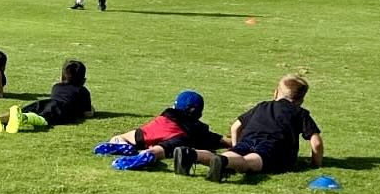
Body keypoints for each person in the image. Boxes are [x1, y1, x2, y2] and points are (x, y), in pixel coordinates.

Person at [172, 74, 323, 181]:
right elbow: (315, 142)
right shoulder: (300, 112)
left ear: (275, 93)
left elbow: (236, 127)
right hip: (272, 146)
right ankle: (223, 163)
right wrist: (316, 164)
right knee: (248, 163)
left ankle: (191, 154)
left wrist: (237, 146)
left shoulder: (262, 106)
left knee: (230, 155)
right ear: (300, 100)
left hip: (248, 140)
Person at [92, 90, 222, 170]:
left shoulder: (167, 114)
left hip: (159, 125)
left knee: (124, 136)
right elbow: (224, 141)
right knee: (162, 149)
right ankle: (147, 154)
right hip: (180, 135)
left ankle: (122, 144)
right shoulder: (199, 128)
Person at [0, 59, 92, 133]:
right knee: (40, 118)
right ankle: (22, 118)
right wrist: (91, 109)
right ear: (83, 80)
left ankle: (0, 119)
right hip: (61, 109)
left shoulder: (56, 86)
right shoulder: (82, 91)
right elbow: (87, 113)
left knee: (24, 110)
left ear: (61, 77)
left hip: (45, 102)